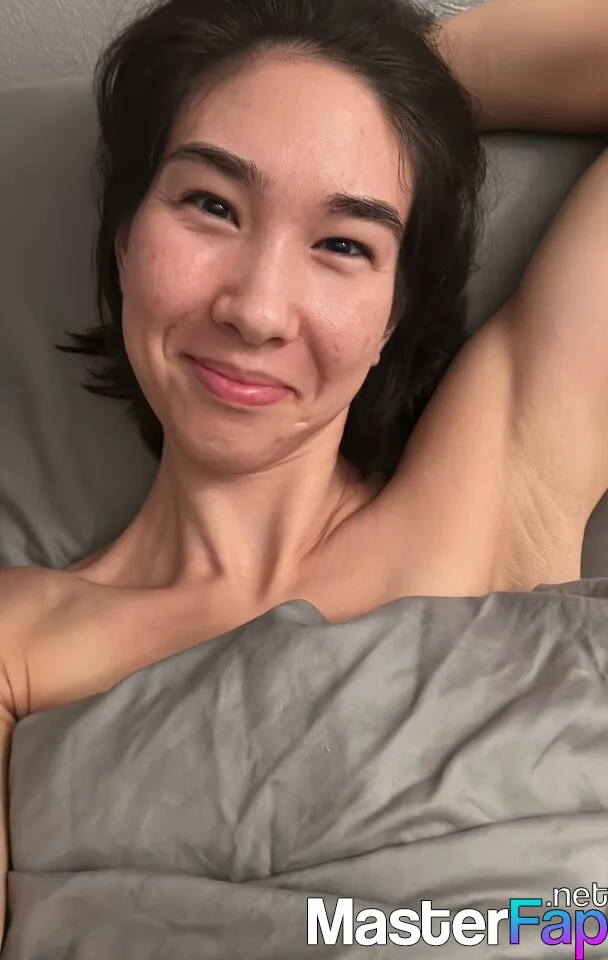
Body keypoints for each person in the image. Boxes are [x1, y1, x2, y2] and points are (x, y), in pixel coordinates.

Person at [0, 0, 607, 942]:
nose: (258, 310)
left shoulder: (493, 490)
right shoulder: (19, 640)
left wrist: (405, 87)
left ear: (394, 315)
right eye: (212, 205)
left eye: (344, 244)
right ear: (123, 238)